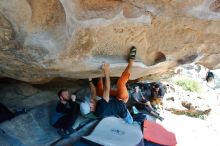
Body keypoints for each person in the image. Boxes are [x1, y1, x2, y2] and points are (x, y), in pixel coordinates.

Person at [94, 46, 137, 124]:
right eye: (90, 105)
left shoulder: (97, 111)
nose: (90, 102)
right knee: (120, 83)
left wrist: (100, 75)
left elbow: (99, 93)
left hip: (115, 99)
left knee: (99, 92)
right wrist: (106, 71)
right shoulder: (100, 108)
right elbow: (107, 88)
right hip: (122, 99)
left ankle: (99, 78)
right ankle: (131, 62)